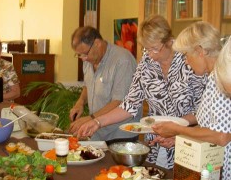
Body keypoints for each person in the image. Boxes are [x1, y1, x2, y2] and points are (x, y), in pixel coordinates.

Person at [76, 16, 207, 169]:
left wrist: (176, 129)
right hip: (156, 141)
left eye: (154, 48)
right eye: (146, 48)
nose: (150, 54)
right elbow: (129, 105)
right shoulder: (146, 63)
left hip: (187, 142)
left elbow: (202, 111)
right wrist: (97, 122)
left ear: (169, 41)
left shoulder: (190, 61)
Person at [152, 22, 230, 179]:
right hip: (213, 164)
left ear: (200, 51)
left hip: (223, 168)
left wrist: (177, 130)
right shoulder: (212, 78)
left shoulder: (221, 80)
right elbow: (210, 124)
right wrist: (179, 138)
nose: (186, 62)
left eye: (187, 55)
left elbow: (222, 136)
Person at [69, 26, 139, 142]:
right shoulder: (88, 60)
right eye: (79, 55)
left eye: (85, 54)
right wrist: (80, 103)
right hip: (98, 132)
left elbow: (119, 102)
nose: (83, 59)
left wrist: (90, 118)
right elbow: (89, 85)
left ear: (97, 43)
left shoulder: (122, 60)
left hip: (120, 134)